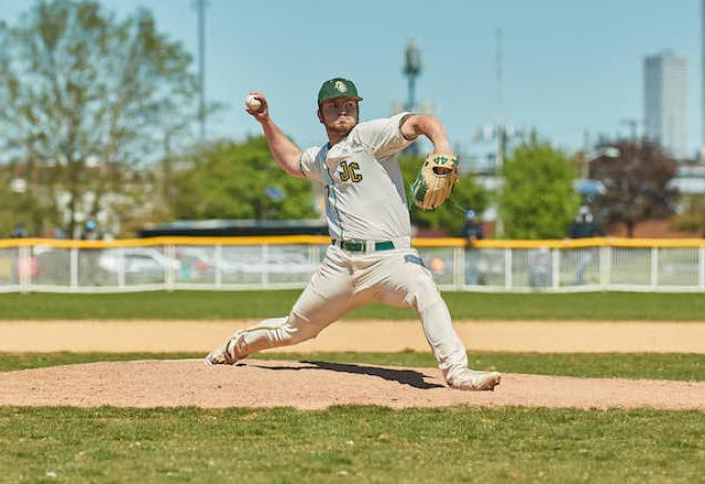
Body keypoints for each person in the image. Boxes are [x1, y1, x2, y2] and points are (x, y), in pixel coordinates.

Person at [205, 78, 500, 391]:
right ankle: (235, 347)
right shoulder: (322, 157)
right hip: (341, 263)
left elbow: (422, 121)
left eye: (349, 104)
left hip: (391, 260)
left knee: (424, 289)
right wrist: (265, 121)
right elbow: (292, 162)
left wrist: (441, 145)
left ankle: (457, 372)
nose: (342, 110)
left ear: (358, 109)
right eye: (333, 105)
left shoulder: (370, 137)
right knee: (294, 331)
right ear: (320, 115)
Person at [567, 206, 604, 285]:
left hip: (587, 249)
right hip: (576, 249)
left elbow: (599, 230)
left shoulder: (591, 223)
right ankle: (579, 280)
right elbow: (571, 232)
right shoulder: (576, 223)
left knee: (583, 263)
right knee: (578, 265)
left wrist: (606, 237)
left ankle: (578, 280)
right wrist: (568, 238)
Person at [458, 210, 484, 285]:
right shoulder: (464, 228)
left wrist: (475, 238)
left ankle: (474, 284)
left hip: (476, 252)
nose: (470, 220)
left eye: (472, 219)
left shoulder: (478, 227)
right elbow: (459, 236)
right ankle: (467, 284)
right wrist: (468, 238)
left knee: (474, 269)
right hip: (466, 252)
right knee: (466, 269)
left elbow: (481, 237)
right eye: (469, 219)